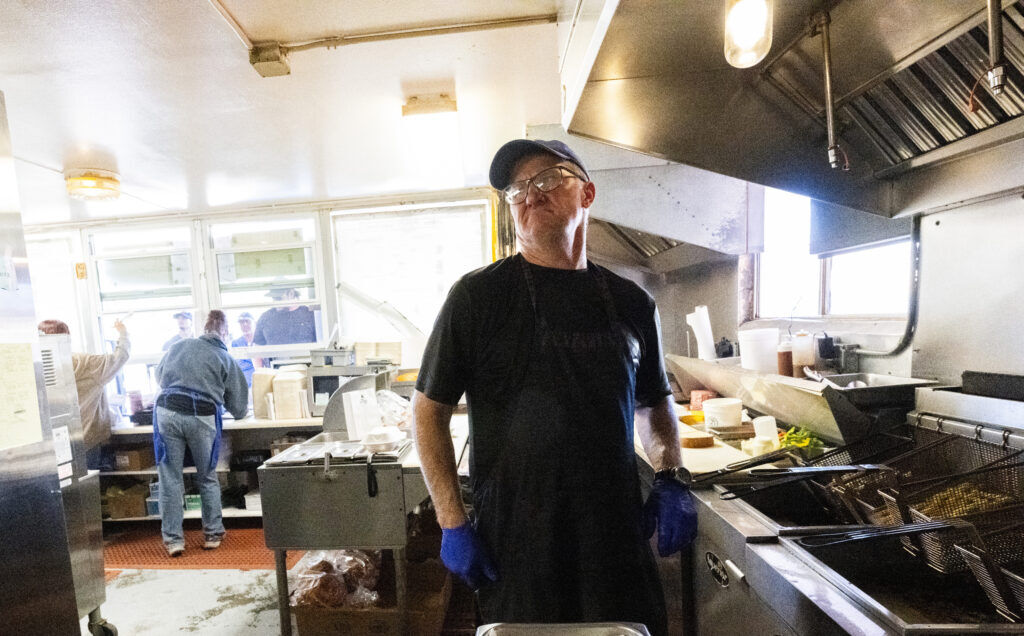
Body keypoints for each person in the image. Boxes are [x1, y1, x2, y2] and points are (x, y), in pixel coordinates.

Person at [413, 139, 697, 634]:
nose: (530, 194)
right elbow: (427, 411)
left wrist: (670, 475)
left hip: (613, 535)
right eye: (517, 188)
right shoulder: (477, 298)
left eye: (547, 178)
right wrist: (452, 521)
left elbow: (653, 403)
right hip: (517, 540)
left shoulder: (633, 303)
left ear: (587, 194)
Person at [155, 310, 248, 557]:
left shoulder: (178, 346)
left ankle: (173, 541)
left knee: (170, 478)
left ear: (204, 329)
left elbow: (160, 378)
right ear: (224, 333)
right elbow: (239, 408)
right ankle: (213, 535)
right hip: (202, 416)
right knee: (206, 476)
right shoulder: (225, 358)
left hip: (167, 411)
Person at [37, 318, 131, 469]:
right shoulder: (85, 363)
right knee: (88, 481)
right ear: (67, 337)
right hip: (86, 439)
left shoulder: (39, 367)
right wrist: (123, 333)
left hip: (55, 442)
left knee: (68, 482)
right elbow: (120, 357)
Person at [230, 311, 260, 385]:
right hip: (244, 382)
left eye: (247, 321)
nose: (245, 324)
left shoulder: (260, 341)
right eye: (241, 322)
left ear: (254, 323)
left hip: (260, 379)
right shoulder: (236, 343)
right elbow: (238, 365)